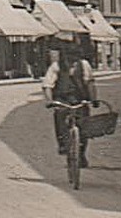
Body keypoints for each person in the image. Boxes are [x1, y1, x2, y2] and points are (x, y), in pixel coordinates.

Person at [42, 37, 98, 169]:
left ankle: (82, 154)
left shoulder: (84, 65)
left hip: (80, 99)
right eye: (70, 56)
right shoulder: (56, 66)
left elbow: (89, 83)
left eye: (75, 56)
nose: (72, 59)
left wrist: (93, 99)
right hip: (63, 99)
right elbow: (48, 85)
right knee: (60, 119)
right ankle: (62, 144)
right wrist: (50, 101)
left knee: (84, 126)